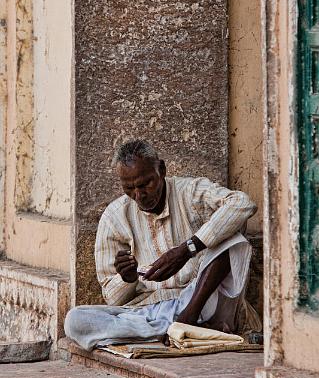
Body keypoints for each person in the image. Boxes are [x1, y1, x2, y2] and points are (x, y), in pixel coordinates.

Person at [65, 139, 260, 351]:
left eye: (145, 184)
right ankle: (176, 331)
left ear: (162, 170)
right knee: (75, 320)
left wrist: (188, 249)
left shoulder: (190, 192)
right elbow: (112, 299)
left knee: (233, 239)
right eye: (129, 188)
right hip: (149, 312)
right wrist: (127, 278)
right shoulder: (114, 217)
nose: (139, 195)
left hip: (202, 302)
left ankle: (186, 322)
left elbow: (242, 204)